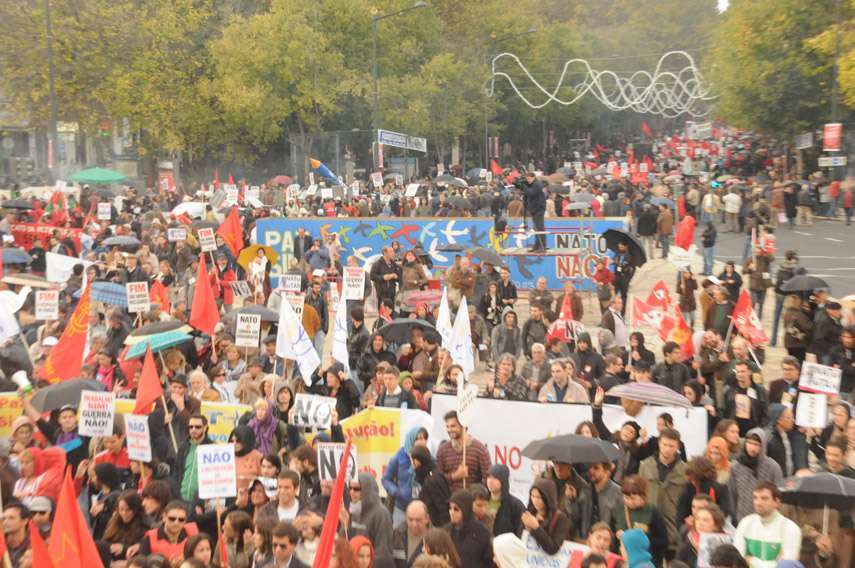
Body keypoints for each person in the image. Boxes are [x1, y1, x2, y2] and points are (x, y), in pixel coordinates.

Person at [637, 427, 687, 560]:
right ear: (659, 443)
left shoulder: (685, 470)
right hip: (649, 525)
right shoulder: (645, 465)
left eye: (671, 446)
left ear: (678, 446)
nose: (667, 449)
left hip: (673, 526)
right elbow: (639, 494)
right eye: (665, 444)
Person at [733, 482, 801, 567]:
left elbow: (787, 565)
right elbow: (737, 560)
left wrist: (751, 560)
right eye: (755, 498)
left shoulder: (790, 528)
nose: (758, 503)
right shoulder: (745, 523)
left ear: (777, 502)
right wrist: (774, 563)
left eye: (764, 498)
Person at [610, 476, 668, 566]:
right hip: (624, 561)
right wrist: (617, 535)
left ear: (643, 495)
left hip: (647, 561)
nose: (629, 501)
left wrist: (641, 540)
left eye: (633, 498)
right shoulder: (618, 511)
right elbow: (611, 535)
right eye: (626, 497)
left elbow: (663, 540)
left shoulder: (652, 512)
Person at [728, 430, 783, 523]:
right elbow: (732, 494)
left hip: (767, 518)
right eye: (749, 443)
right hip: (741, 519)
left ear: (763, 446)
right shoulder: (736, 466)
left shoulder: (772, 467)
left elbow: (779, 495)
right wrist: (733, 517)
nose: (752, 447)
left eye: (757, 444)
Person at [435, 411, 491, 492]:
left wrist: (475, 493)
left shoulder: (480, 449)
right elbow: (436, 480)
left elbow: (488, 479)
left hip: (471, 497)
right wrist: (455, 476)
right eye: (447, 427)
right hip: (448, 498)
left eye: (453, 426)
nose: (449, 430)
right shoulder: (442, 450)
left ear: (463, 426)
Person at [382, 427, 426, 525]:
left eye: (424, 438)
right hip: (401, 508)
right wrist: (396, 491)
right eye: (418, 439)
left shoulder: (428, 458)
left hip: (421, 508)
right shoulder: (398, 458)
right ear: (411, 440)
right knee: (399, 533)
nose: (422, 442)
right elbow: (385, 479)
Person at [346, 472, 393, 559]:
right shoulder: (354, 510)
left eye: (356, 489)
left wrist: (367, 563)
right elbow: (347, 542)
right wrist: (344, 525)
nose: (351, 492)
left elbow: (383, 551)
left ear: (367, 490)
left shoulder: (381, 514)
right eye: (350, 488)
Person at [522, 478, 571, 555]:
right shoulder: (530, 513)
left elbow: (553, 548)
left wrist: (536, 528)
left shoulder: (561, 518)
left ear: (547, 497)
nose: (535, 500)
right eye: (532, 496)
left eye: (539, 497)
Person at [446, 489, 493, 568]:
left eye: (456, 509)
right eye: (450, 508)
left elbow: (490, 562)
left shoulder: (482, 533)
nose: (452, 512)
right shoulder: (446, 531)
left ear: (465, 509)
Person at [675, 503, 727, 567]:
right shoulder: (688, 543)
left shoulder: (725, 545)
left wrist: (702, 552)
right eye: (697, 519)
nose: (700, 523)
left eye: (705, 520)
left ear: (716, 525)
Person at [764, 404, 808, 477]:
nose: (793, 420)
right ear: (779, 420)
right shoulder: (768, 438)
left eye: (792, 417)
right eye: (789, 417)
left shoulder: (789, 435)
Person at [391, 500, 428, 567]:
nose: (414, 524)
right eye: (411, 520)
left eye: (418, 520)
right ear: (406, 518)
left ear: (427, 518)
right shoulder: (396, 535)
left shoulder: (435, 539)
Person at [519, 171, 546, 252]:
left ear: (533, 177)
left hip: (539, 208)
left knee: (540, 227)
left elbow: (531, 193)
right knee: (536, 228)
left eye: (529, 178)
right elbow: (527, 194)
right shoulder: (531, 185)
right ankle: (537, 246)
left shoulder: (537, 184)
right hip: (533, 208)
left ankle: (542, 246)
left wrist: (524, 186)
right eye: (527, 178)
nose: (527, 180)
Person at [3, 500, 31, 567]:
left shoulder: (33, 546)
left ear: (25, 521)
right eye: (4, 518)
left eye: (11, 518)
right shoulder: (1, 542)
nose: (5, 522)